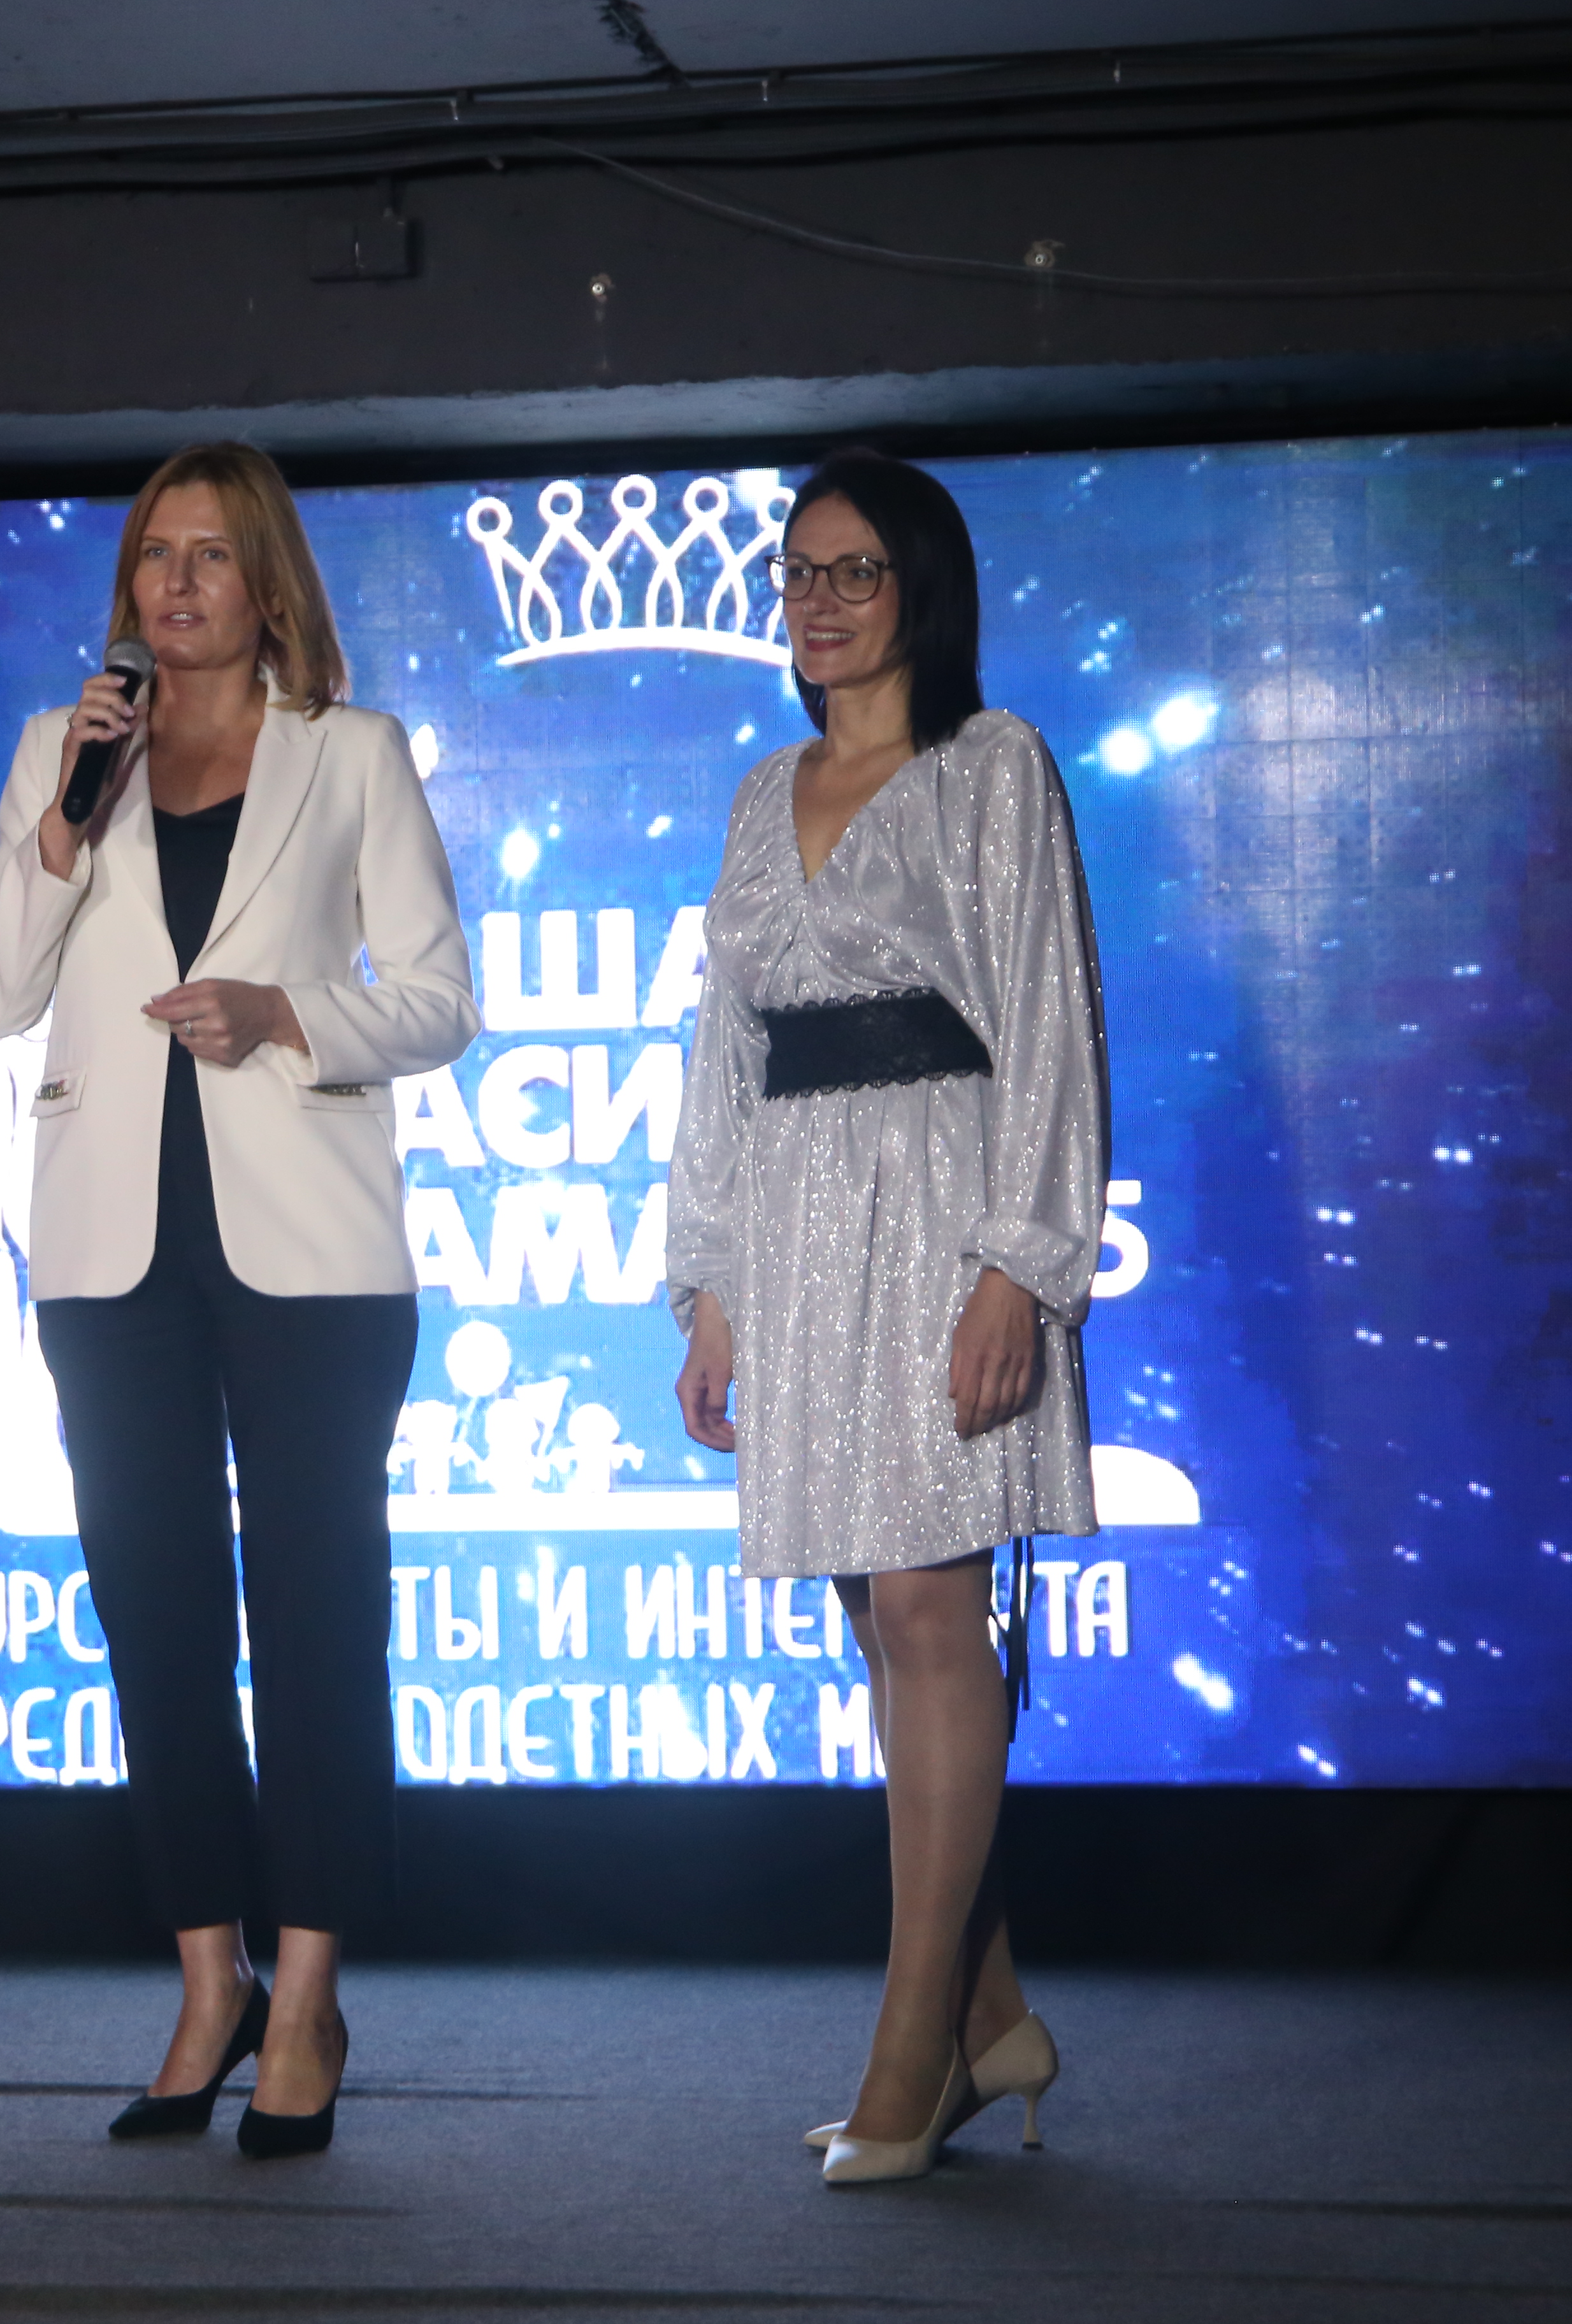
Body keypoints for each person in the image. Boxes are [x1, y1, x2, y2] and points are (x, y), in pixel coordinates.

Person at [0, 443, 479, 2158]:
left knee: (319, 1614)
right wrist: (65, 817)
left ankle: (309, 1998)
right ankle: (208, 1983)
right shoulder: (64, 749)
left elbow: (441, 998)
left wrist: (288, 1013)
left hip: (312, 1254)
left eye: (209, 555)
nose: (175, 585)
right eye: (152, 556)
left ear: (268, 583)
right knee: (156, 1618)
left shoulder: (352, 753)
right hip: (109, 1256)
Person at [665, 451, 1108, 2186]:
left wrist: (1022, 1265)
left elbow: (1053, 1019)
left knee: (930, 1608)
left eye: (855, 570)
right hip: (796, 1229)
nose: (821, 601)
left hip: (942, 1217)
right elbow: (723, 1052)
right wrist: (709, 1278)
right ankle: (995, 2024)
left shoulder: (994, 767)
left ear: (922, 586)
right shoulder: (756, 793)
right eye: (799, 572)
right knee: (882, 1618)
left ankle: (911, 2049)